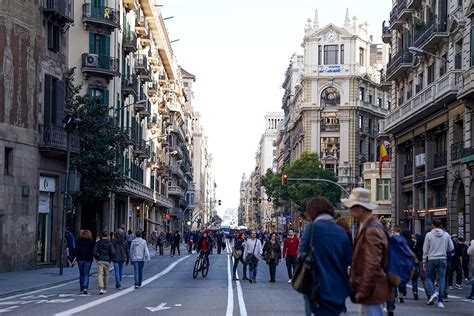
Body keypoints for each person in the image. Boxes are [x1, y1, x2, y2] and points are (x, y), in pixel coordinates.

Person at [342, 188, 393, 316]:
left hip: (372, 289)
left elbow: (372, 264)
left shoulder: (371, 229)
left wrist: (363, 290)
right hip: (372, 288)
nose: (349, 210)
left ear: (360, 208)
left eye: (351, 207)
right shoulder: (369, 226)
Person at [298, 196, 352, 315]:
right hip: (339, 288)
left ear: (312, 211)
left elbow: (301, 254)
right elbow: (349, 259)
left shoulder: (312, 228)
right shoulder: (341, 231)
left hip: (316, 288)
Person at [423, 218, 454, 308]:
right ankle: (440, 301)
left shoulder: (429, 235)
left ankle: (433, 293)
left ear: (433, 225)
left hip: (432, 258)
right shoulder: (446, 235)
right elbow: (451, 247)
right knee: (442, 279)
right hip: (443, 258)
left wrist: (424, 261)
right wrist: (444, 249)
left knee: (428, 277)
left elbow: (425, 249)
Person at [415, 220, 434, 301]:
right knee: (434, 277)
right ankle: (442, 294)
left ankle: (430, 294)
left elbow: (417, 248)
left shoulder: (422, 236)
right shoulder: (442, 234)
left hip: (424, 259)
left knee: (425, 277)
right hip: (436, 258)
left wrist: (419, 259)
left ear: (427, 226)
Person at [94, 230, 115, 295]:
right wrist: (110, 259)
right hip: (107, 260)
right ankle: (105, 288)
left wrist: (97, 257)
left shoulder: (98, 243)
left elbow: (94, 252)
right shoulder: (109, 243)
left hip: (100, 260)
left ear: (101, 236)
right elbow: (113, 252)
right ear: (107, 236)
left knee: (100, 274)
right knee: (106, 275)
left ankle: (101, 288)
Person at [75, 229, 95, 294]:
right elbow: (93, 250)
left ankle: (81, 287)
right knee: (86, 273)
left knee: (81, 273)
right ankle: (85, 287)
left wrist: (75, 257)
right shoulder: (91, 241)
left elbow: (76, 250)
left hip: (80, 259)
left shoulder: (79, 241)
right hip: (88, 259)